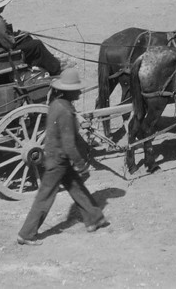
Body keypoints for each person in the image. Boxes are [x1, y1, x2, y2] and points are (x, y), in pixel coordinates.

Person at [17, 68, 107, 245]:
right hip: (58, 160)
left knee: (76, 187)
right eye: (77, 89)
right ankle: (26, 234)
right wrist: (81, 164)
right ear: (69, 91)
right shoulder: (65, 111)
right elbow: (69, 144)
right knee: (45, 197)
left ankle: (95, 218)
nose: (80, 92)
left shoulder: (56, 104)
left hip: (57, 157)